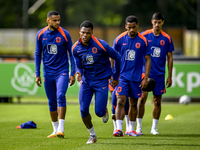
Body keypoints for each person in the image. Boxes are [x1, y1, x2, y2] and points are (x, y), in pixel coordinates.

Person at [72, 20, 121, 144]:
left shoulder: (101, 44)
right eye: (83, 32)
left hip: (101, 81)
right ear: (79, 32)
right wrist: (79, 73)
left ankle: (104, 111)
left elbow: (117, 57)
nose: (85, 35)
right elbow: (78, 64)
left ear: (92, 33)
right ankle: (92, 135)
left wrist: (115, 77)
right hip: (86, 81)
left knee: (99, 112)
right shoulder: (75, 48)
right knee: (83, 110)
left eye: (87, 33)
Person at [35, 10, 75, 138]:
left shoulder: (65, 34)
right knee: (51, 101)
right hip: (48, 72)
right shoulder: (40, 34)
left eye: (59, 20)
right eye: (55, 20)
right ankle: (55, 129)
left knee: (61, 96)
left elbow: (72, 53)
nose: (58, 22)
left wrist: (72, 72)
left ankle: (61, 129)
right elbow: (37, 54)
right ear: (48, 20)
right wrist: (37, 74)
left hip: (62, 71)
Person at [113, 15, 151, 137]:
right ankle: (118, 129)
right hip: (122, 77)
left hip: (136, 77)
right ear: (126, 26)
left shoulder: (143, 40)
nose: (131, 30)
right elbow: (112, 56)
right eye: (129, 27)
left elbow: (148, 59)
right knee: (120, 101)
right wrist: (113, 74)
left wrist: (145, 77)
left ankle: (131, 129)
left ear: (137, 26)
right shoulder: (119, 39)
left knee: (133, 103)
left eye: (134, 27)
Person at [136, 12, 174, 135]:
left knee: (157, 101)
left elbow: (170, 57)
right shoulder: (144, 35)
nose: (157, 24)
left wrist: (170, 76)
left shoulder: (167, 38)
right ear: (152, 22)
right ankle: (139, 127)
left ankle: (154, 128)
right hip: (145, 73)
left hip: (159, 75)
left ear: (162, 22)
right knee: (142, 99)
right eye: (155, 22)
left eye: (159, 22)